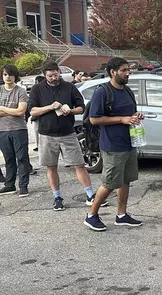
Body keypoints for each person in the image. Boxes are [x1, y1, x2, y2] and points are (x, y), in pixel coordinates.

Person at [28, 61, 104, 211]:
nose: (53, 78)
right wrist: (50, 107)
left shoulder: (69, 87)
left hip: (67, 133)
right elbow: (32, 111)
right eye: (50, 76)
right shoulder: (37, 89)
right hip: (46, 134)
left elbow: (81, 107)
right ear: (45, 75)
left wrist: (70, 111)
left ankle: (90, 194)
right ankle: (57, 197)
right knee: (51, 167)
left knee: (79, 165)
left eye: (56, 75)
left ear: (59, 73)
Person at [83, 57, 143, 231]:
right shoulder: (103, 92)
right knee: (109, 183)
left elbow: (130, 113)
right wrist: (122, 119)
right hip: (112, 145)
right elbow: (94, 119)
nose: (128, 73)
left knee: (126, 180)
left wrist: (136, 116)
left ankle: (122, 215)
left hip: (129, 142)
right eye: (124, 70)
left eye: (128, 70)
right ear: (112, 72)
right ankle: (91, 215)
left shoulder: (127, 91)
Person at [0, 64, 30, 197]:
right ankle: (9, 184)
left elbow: (21, 111)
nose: (8, 77)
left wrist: (2, 108)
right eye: (5, 74)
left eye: (10, 74)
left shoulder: (21, 91)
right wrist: (13, 111)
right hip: (2, 130)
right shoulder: (0, 90)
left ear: (15, 76)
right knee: (8, 158)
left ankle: (23, 186)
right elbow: (16, 111)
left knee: (22, 157)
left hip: (19, 129)